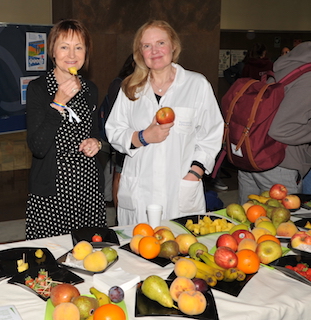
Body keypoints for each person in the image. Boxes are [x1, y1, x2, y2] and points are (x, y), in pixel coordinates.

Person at [105, 20, 223, 226]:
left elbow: (212, 134)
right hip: (140, 191)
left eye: (161, 43)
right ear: (140, 52)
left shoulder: (196, 85)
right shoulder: (131, 87)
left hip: (179, 190)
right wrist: (142, 137)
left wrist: (195, 173)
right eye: (147, 46)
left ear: (173, 46)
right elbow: (114, 131)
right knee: (138, 250)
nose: (154, 51)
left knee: (180, 249)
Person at [25, 19, 107, 239]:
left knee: (92, 253)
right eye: (64, 46)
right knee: (52, 258)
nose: (72, 54)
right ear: (52, 50)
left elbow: (96, 134)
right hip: (53, 191)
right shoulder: (38, 89)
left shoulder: (90, 89)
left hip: (87, 187)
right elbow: (38, 147)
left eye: (78, 47)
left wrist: (96, 143)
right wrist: (58, 103)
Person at [238, 41, 311, 203]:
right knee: (282, 226)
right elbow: (281, 129)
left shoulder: (290, 66)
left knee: (247, 223)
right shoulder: (308, 78)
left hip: (252, 155)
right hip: (278, 164)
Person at [102, 54, 136, 213]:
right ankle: (118, 213)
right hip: (122, 135)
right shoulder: (120, 84)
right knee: (119, 172)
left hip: (137, 137)